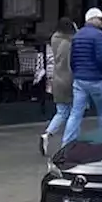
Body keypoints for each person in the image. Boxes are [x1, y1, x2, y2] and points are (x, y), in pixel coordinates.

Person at [63, 8, 102, 144]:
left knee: (75, 113)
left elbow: (72, 59)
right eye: (100, 19)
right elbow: (101, 58)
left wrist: (77, 72)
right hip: (97, 78)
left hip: (80, 79)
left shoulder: (77, 35)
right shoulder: (98, 35)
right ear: (93, 19)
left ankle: (67, 143)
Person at [40, 18, 76, 156]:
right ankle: (69, 142)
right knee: (74, 113)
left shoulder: (55, 39)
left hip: (57, 78)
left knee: (61, 111)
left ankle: (48, 134)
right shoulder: (68, 43)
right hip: (68, 79)